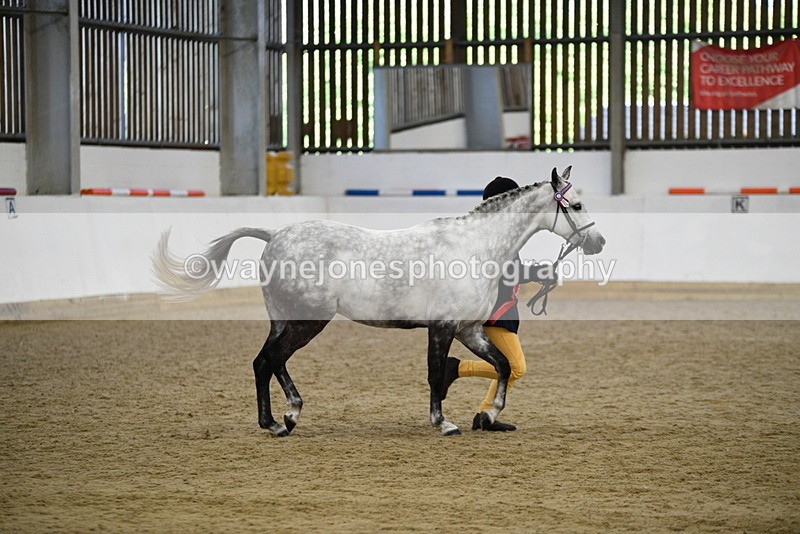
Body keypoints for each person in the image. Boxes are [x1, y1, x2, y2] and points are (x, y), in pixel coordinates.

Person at [441, 176, 548, 431]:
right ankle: (455, 369)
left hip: (502, 307)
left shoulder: (499, 232)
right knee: (514, 367)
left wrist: (538, 271)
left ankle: (486, 413)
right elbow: (502, 271)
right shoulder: (494, 234)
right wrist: (536, 273)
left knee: (510, 365)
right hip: (494, 310)